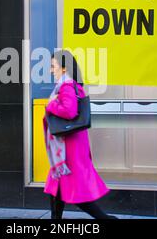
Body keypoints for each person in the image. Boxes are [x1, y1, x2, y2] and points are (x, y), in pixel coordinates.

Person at [43, 50, 117, 220]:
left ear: (63, 68)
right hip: (68, 146)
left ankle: (106, 219)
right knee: (58, 186)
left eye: (52, 66)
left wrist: (51, 105)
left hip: (69, 148)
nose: (50, 70)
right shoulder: (69, 85)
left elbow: (69, 111)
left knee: (75, 190)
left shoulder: (67, 86)